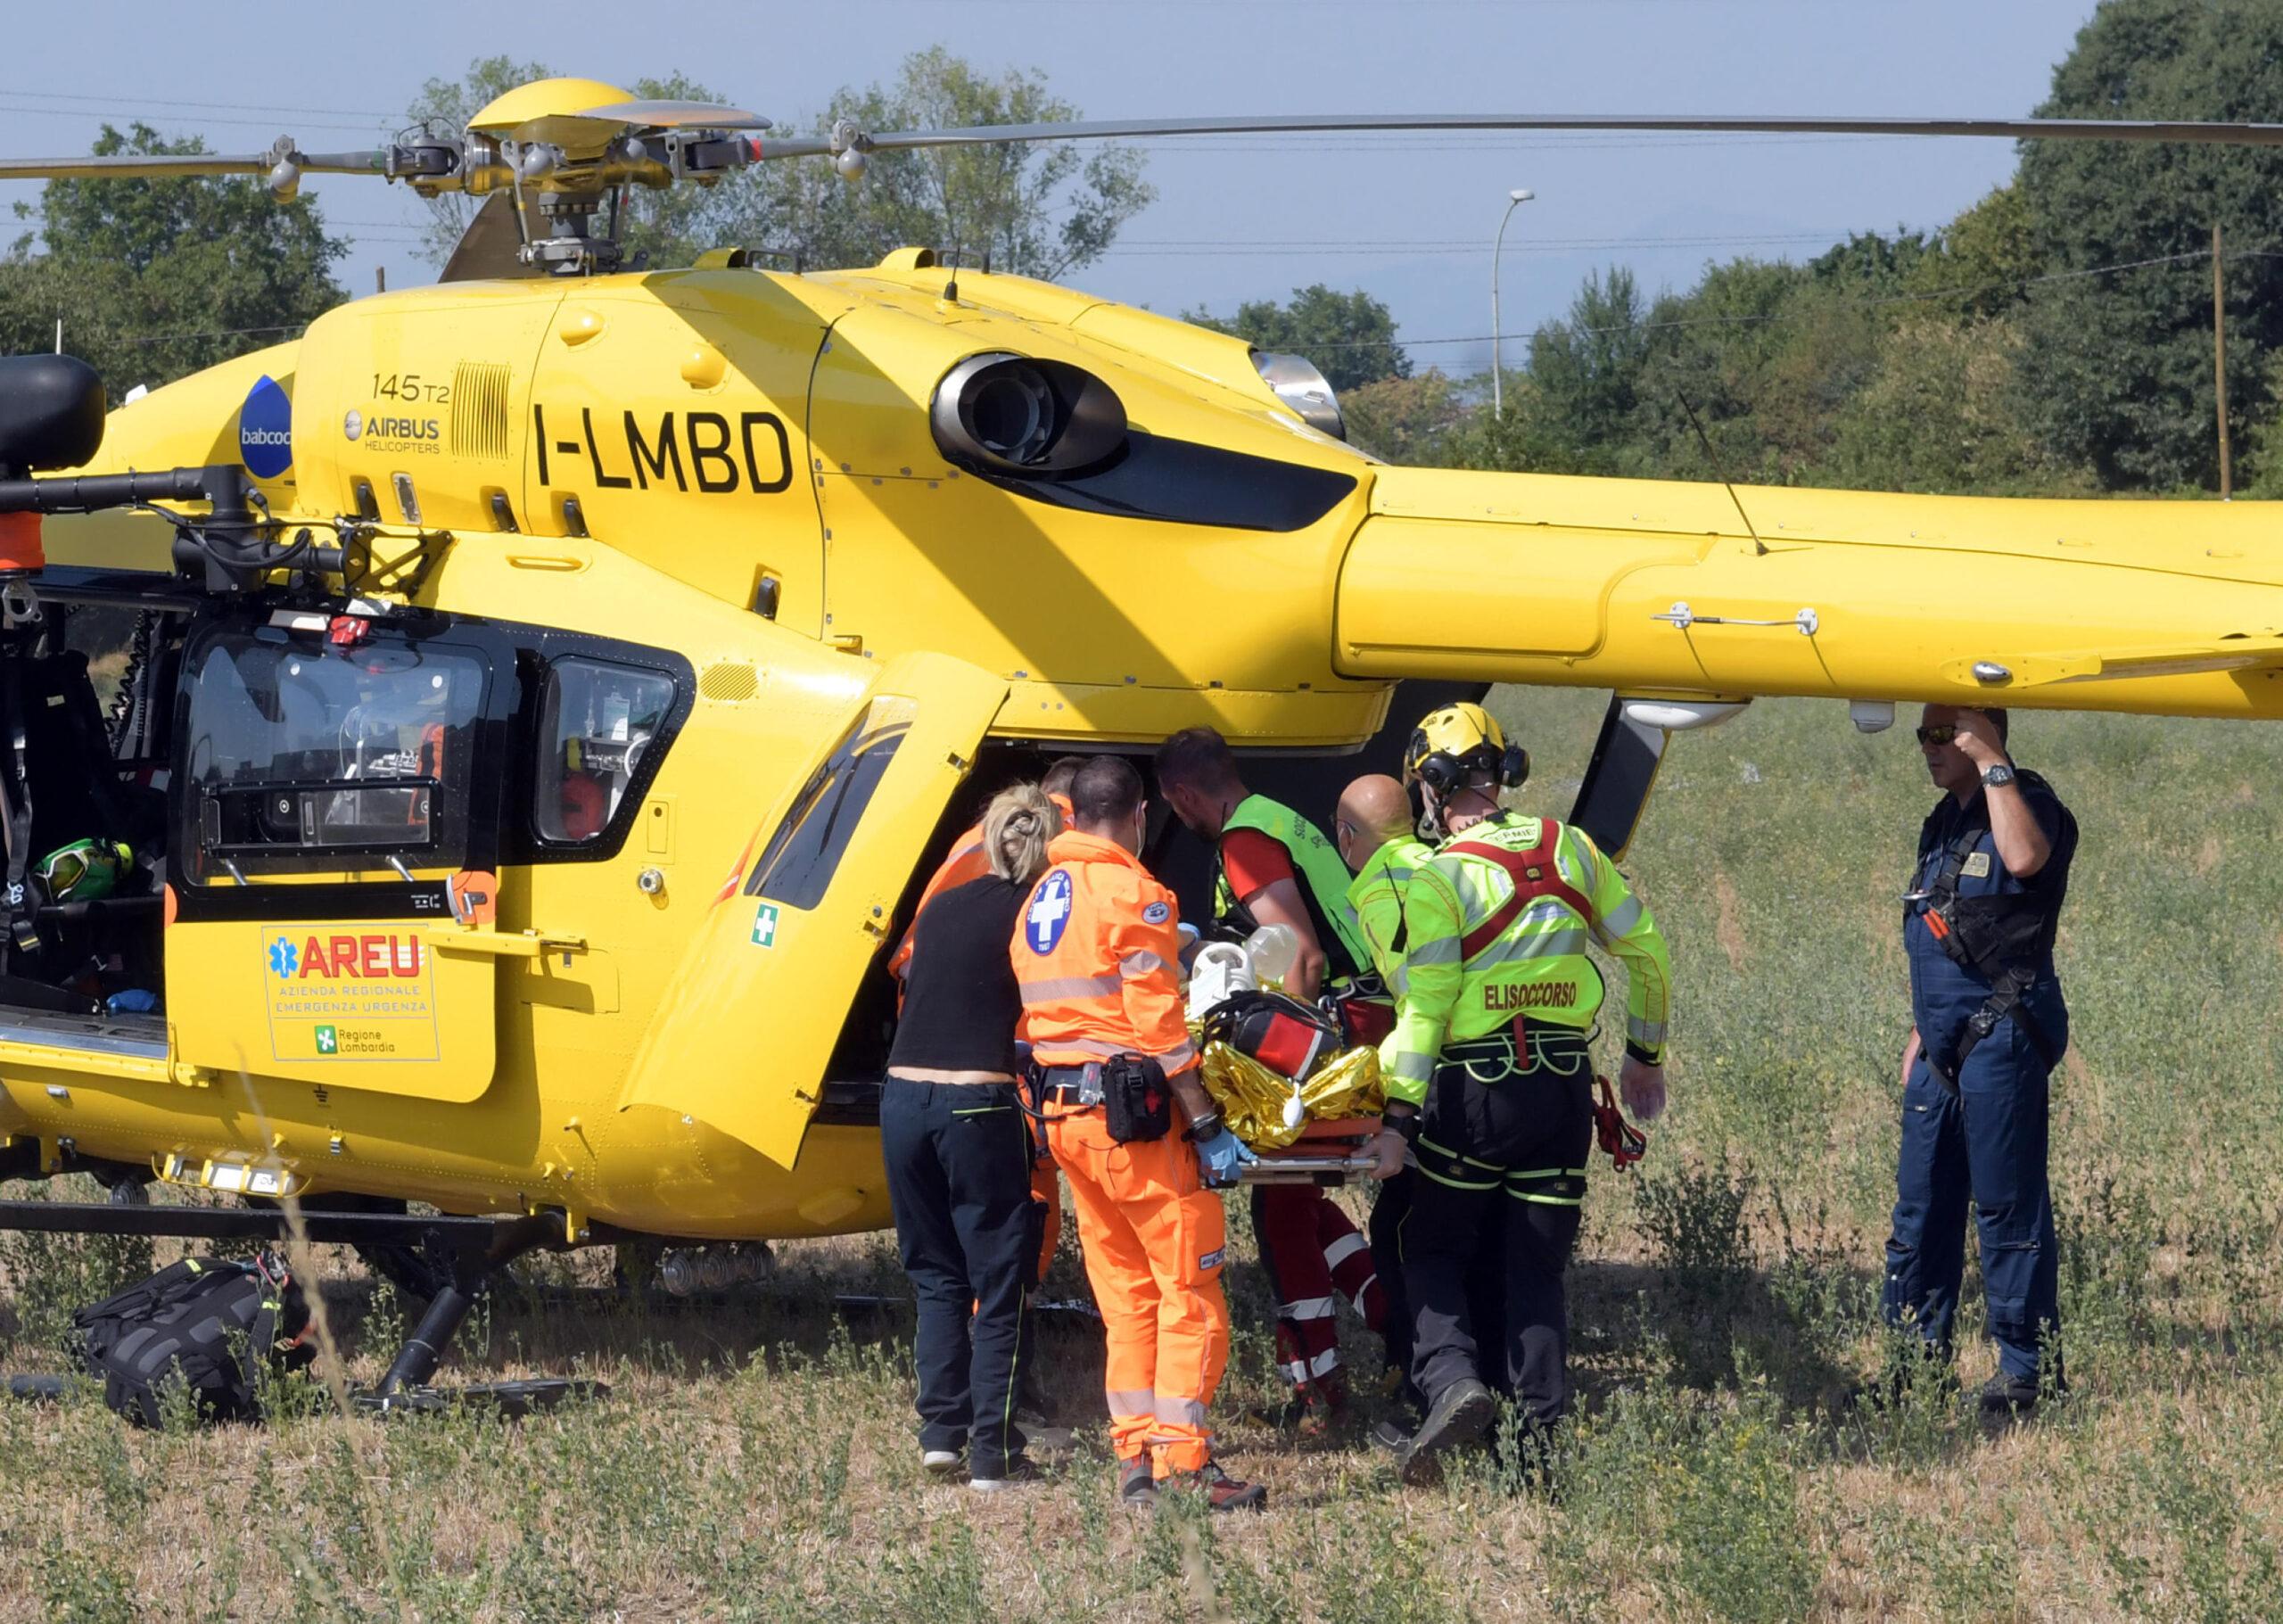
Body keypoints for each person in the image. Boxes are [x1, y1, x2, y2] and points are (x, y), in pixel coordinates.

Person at [1367, 702, 1673, 1483]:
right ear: (1504, 772)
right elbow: (1647, 955)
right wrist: (1644, 1055)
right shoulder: (1572, 850)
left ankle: (1450, 1382)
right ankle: (1537, 1450)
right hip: (1564, 1094)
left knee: (1426, 1244)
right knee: (1536, 1265)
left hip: (1477, 1094)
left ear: (1432, 785)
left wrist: (1399, 1117)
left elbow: (1426, 1005)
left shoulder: (1440, 876)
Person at [1012, 755, 1267, 1513]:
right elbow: (1159, 1025)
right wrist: (1208, 1118)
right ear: (1140, 815)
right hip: (1134, 1128)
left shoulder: (1042, 895)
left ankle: (1136, 1457)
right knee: (1189, 1288)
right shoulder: (1135, 893)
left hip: (1066, 1122)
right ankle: (1184, 1463)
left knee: (1125, 1296)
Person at [1154, 727, 1389, 1430]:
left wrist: (1284, 1062)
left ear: (1187, 794)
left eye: (1175, 807)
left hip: (1334, 1031)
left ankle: (1320, 1385)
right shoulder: (1282, 818)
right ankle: (1387, 1320)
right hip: (1369, 1018)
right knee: (1298, 1201)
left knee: (1280, 1206)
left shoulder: (1244, 840)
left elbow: (1304, 957)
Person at [1883, 705, 2075, 1415]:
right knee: (1921, 1209)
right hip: (1940, 1045)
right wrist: (1920, 1030)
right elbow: (1942, 923)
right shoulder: (1940, 823)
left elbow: (2023, 859)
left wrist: (1993, 759)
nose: (1927, 748)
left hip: (2003, 1032)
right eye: (1924, 735)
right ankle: (1913, 1368)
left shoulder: (2032, 804)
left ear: (1980, 735)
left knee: (2006, 1206)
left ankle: (2028, 1374)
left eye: (1943, 735)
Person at [881, 785, 1064, 1492]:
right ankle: (994, 1452)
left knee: (935, 1276)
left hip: (901, 1101)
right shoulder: (1037, 911)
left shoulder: (943, 904)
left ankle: (940, 1432)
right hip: (976, 1104)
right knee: (998, 1280)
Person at [1331, 772, 1503, 1441]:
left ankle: (1422, 1382)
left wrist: (1394, 1105)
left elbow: (1418, 999)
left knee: (1402, 1234)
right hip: (1505, 1066)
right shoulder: (1442, 860)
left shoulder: (1379, 886)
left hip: (1438, 1071)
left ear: (1349, 837)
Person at [891, 755, 1084, 1298]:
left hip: (923, 1058)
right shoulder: (1065, 837)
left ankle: (977, 1328)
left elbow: (911, 957)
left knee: (941, 1261)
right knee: (1019, 1201)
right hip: (1002, 1053)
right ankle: (1010, 1314)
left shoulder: (969, 849)